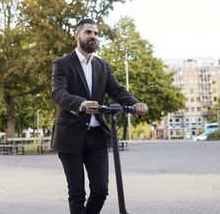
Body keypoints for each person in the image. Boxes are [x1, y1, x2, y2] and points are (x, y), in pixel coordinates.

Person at [51, 18, 148, 214]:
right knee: (77, 193)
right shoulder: (62, 64)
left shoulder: (103, 66)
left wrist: (135, 104)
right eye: (88, 32)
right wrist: (81, 103)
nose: (93, 36)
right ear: (77, 36)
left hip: (96, 136)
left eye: (95, 33)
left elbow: (118, 91)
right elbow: (58, 93)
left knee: (101, 190)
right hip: (69, 135)